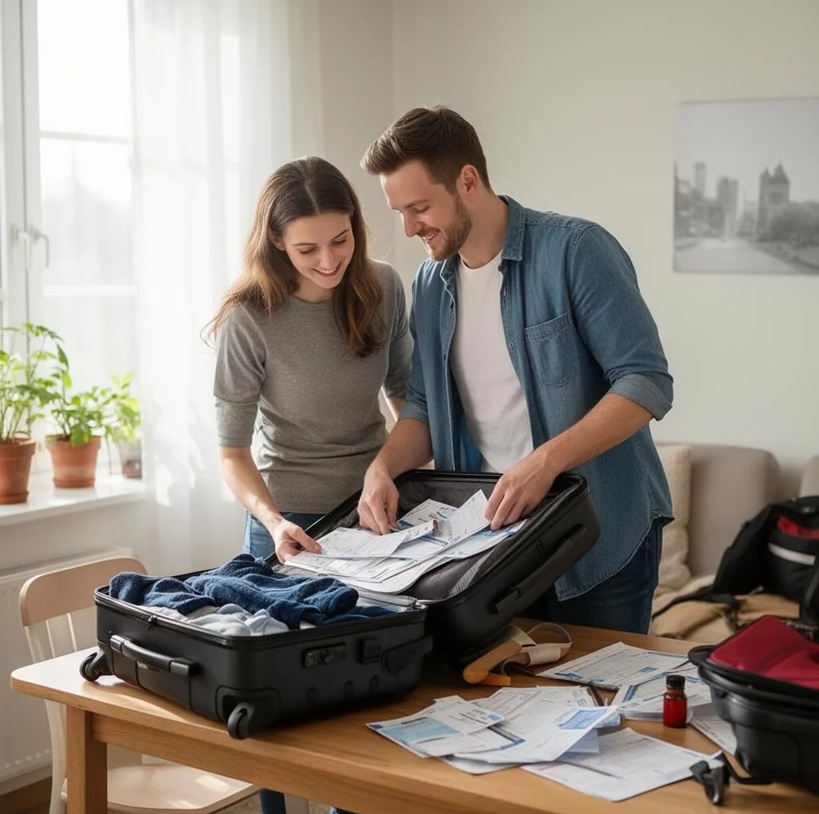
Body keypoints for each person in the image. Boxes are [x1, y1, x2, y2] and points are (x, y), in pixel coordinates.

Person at [357, 105, 674, 635]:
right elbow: (425, 407)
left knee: (601, 707)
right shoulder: (431, 286)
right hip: (495, 542)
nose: (410, 228)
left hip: (600, 534)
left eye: (420, 207)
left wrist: (545, 462)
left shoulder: (576, 250)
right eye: (400, 213)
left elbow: (646, 382)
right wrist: (381, 469)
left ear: (468, 180)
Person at [208, 156, 410, 814]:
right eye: (307, 248)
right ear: (274, 241)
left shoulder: (382, 287)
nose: (329, 261)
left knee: (362, 693)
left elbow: (411, 401)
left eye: (341, 239)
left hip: (372, 518)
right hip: (288, 525)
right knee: (276, 695)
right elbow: (232, 454)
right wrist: (272, 523)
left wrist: (398, 474)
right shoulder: (249, 318)